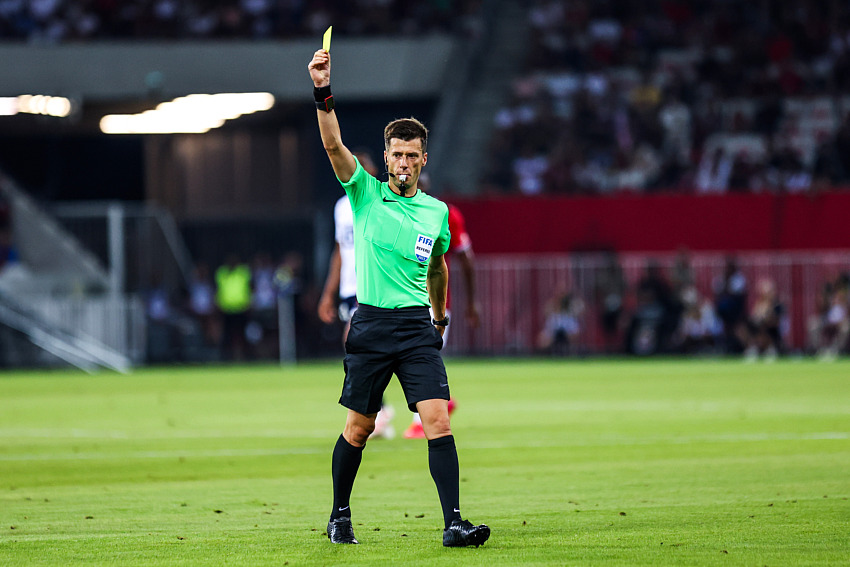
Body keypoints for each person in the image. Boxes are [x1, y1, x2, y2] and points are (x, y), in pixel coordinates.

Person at [308, 47, 490, 548]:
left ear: (422, 159)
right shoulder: (363, 192)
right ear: (385, 157)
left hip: (416, 328)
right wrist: (322, 89)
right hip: (370, 325)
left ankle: (454, 523)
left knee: (436, 419)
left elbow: (437, 267)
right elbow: (332, 145)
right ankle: (339, 514)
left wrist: (441, 318)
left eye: (413, 155)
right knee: (359, 428)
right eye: (397, 154)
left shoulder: (437, 212)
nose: (404, 162)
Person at [317, 149, 395, 440]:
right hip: (351, 289)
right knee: (363, 349)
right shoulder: (341, 207)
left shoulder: (383, 202)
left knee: (355, 343)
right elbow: (340, 251)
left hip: (374, 286)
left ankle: (377, 411)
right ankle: (380, 411)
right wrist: (328, 294)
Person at [403, 201, 480, 439]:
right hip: (403, 301)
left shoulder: (444, 214)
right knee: (415, 359)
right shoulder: (394, 211)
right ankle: (439, 403)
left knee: (422, 358)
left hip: (435, 303)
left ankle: (420, 420)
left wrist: (470, 302)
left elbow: (465, 256)